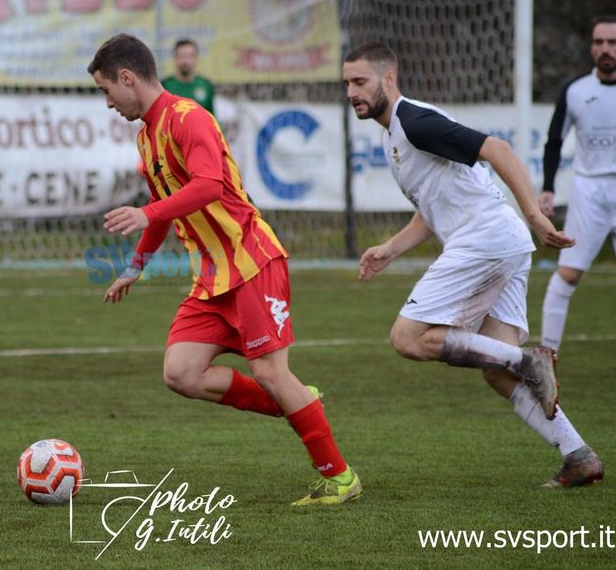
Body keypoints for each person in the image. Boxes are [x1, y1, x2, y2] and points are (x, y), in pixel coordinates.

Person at [88, 33, 361, 505]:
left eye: (106, 90)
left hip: (252, 261)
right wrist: (135, 265)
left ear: (126, 78)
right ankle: (297, 402)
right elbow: (163, 206)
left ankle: (340, 477)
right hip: (212, 277)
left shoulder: (188, 117)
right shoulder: (146, 137)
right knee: (181, 373)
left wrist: (147, 214)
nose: (108, 102)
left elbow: (210, 186)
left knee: (271, 372)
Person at [344, 42, 602, 487]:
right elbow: (432, 208)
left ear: (389, 78)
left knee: (408, 338)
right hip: (502, 242)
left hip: (485, 239)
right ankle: (579, 456)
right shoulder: (394, 134)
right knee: (496, 373)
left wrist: (536, 214)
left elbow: (497, 148)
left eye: (360, 82)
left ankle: (529, 360)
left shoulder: (415, 121)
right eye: (347, 83)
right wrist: (390, 248)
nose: (352, 92)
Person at [539, 15, 616, 352]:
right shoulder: (575, 90)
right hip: (589, 191)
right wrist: (548, 186)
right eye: (599, 42)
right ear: (591, 47)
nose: (605, 49)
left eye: (612, 42)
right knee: (568, 275)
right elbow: (554, 140)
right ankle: (546, 355)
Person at [161, 39, 216, 116]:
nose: (185, 61)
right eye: (181, 56)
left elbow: (211, 116)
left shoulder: (205, 85)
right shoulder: (165, 85)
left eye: (189, 56)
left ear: (196, 58)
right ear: (175, 58)